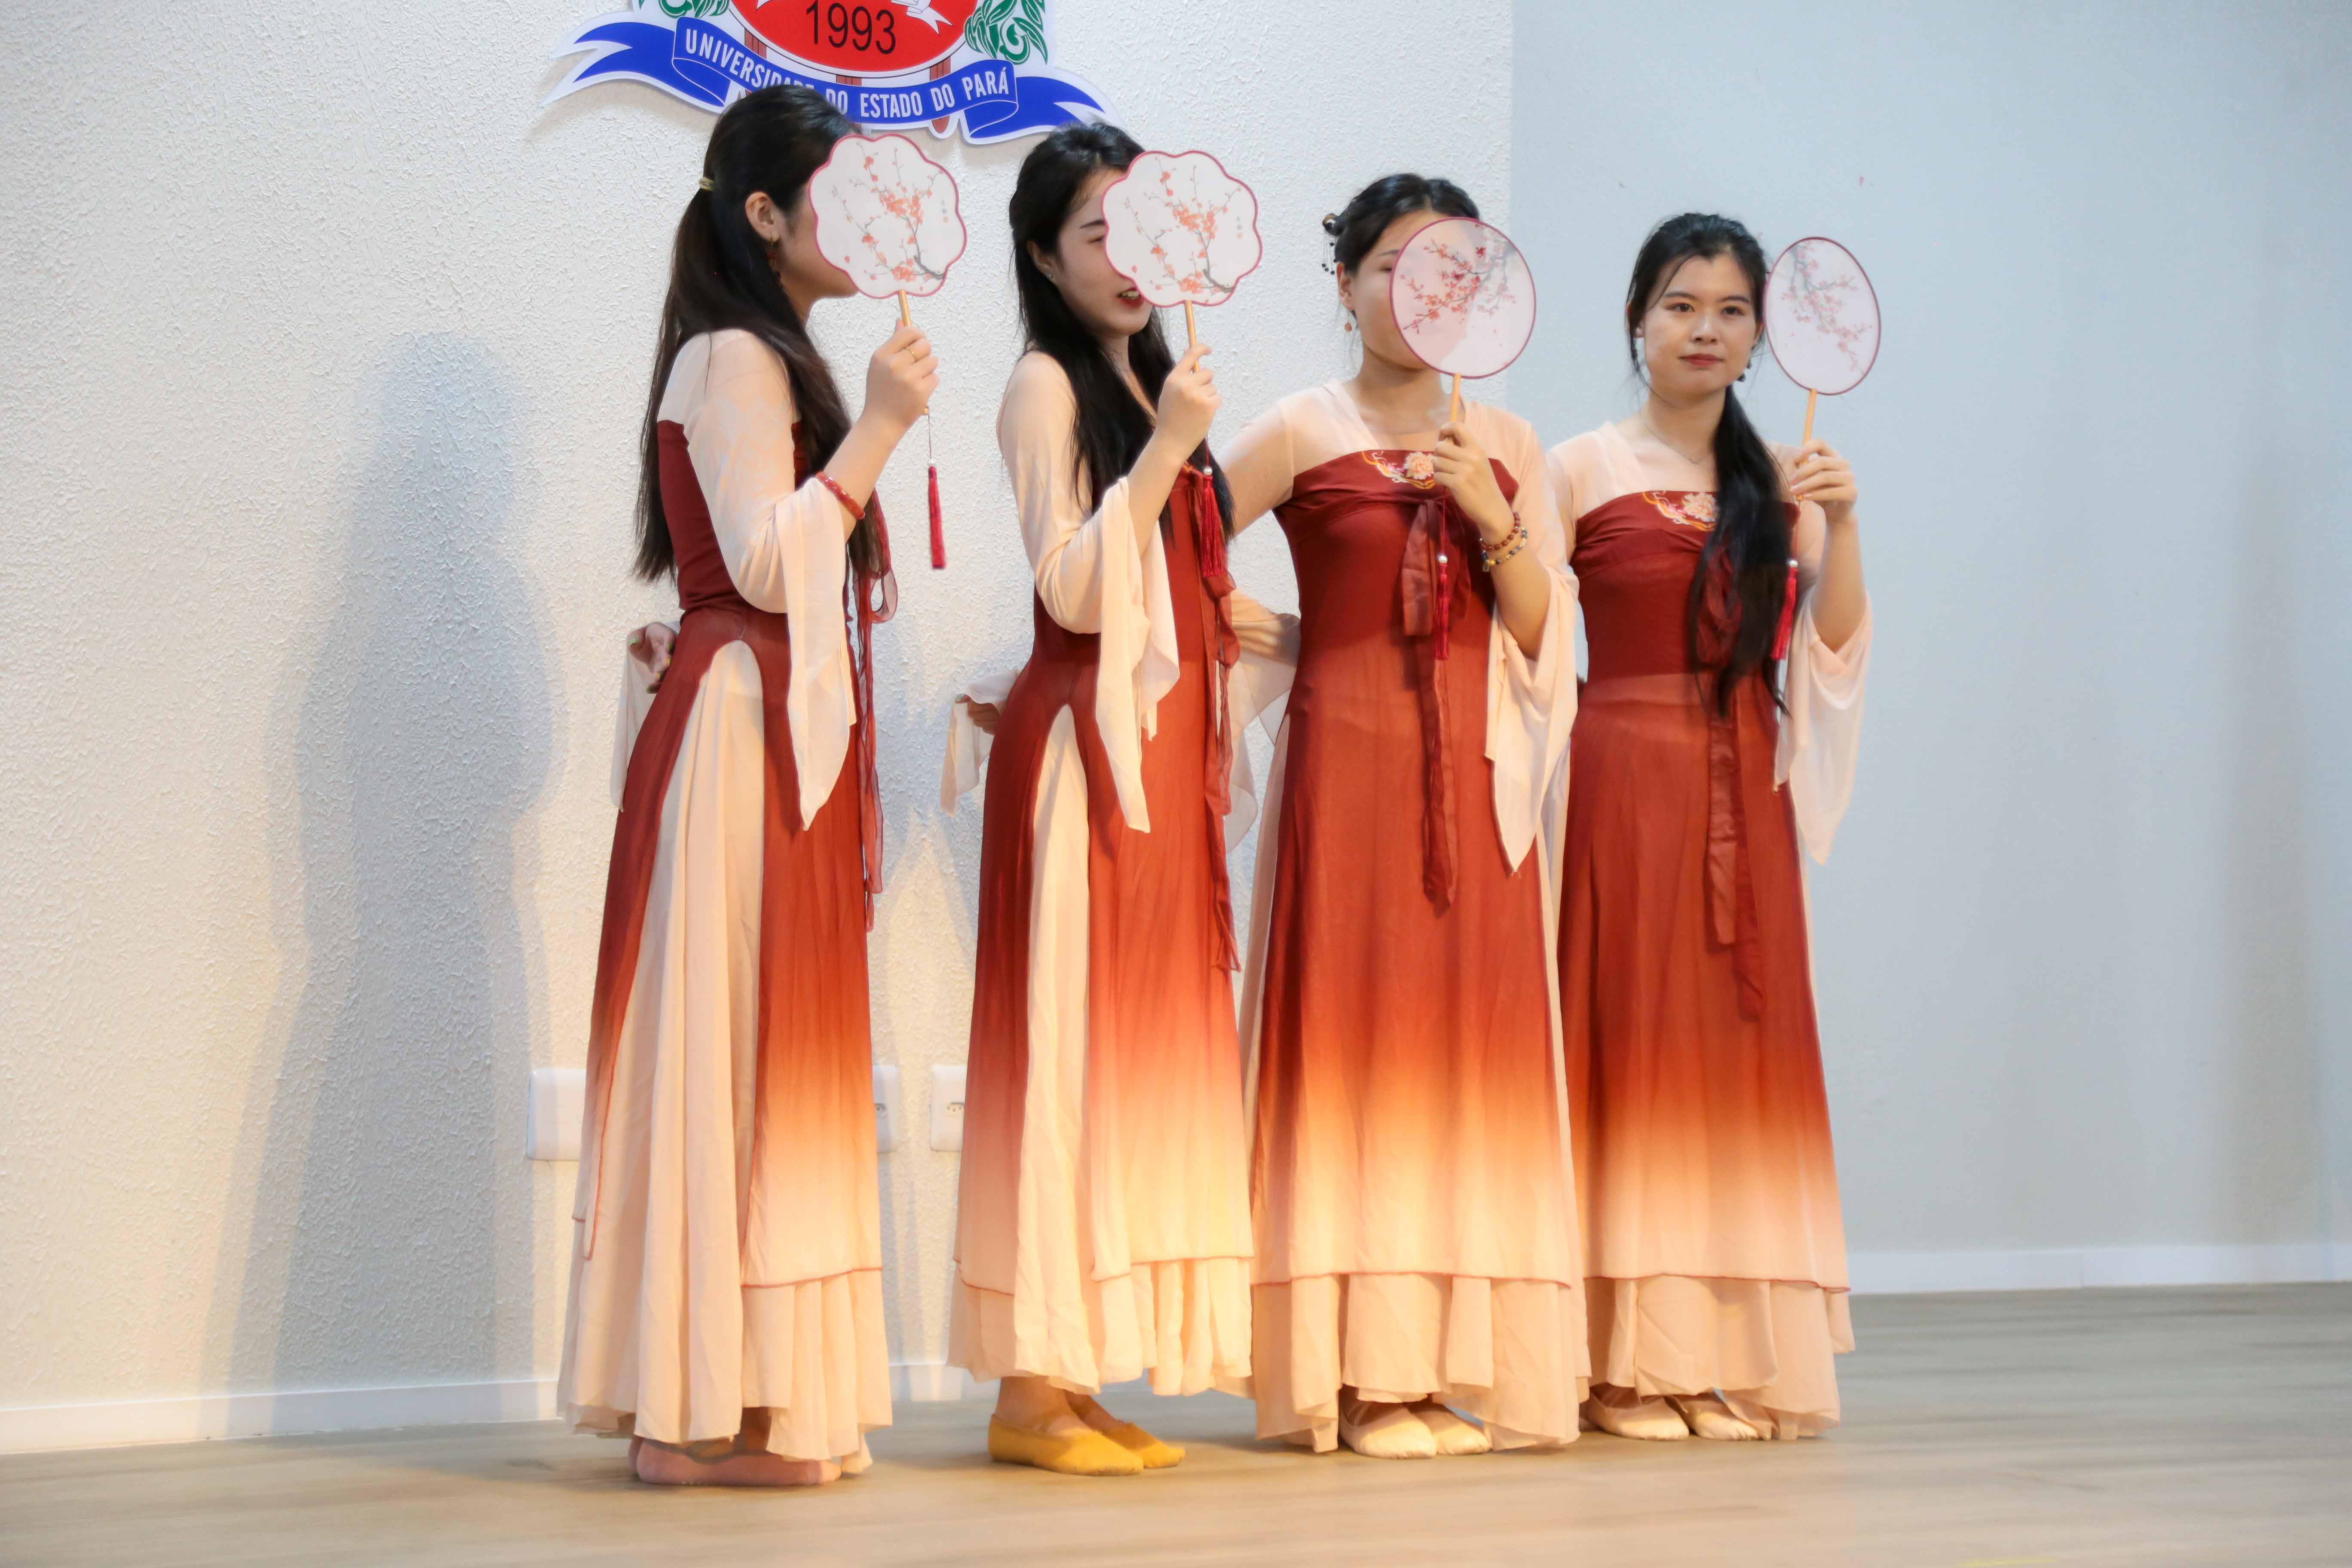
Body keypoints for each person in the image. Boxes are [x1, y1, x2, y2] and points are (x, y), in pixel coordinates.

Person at [557, 84, 939, 1487]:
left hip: (762, 719)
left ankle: (736, 1395)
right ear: (766, 214)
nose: (874, 218)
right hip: (739, 726)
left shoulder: (762, 353)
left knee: (758, 1045)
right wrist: (882, 429)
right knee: (729, 1042)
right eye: (846, 191)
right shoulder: (734, 355)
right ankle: (687, 1416)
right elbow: (774, 565)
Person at [940, 123, 1295, 1477]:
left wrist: (1277, 630)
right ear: (1043, 256)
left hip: (1152, 773)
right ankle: (1028, 1389)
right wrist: (1172, 454)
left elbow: (1178, 599)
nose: (1128, 258)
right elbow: (1076, 590)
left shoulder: (1151, 384)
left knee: (1131, 1061)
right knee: (1066, 1051)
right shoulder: (1044, 386)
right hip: (1082, 768)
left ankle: (1074, 1371)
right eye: (1098, 233)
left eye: (1142, 228)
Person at [1218, 175, 1585, 1458]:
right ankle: (1362, 1374)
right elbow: (1173, 552)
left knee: (1470, 1053)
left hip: (1480, 778)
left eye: (1448, 272)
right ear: (1345, 284)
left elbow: (1542, 631)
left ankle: (1442, 1366)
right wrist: (1286, 636)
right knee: (1357, 1044)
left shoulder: (1513, 442)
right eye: (1391, 266)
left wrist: (1492, 515)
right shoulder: (1298, 427)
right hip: (1351, 772)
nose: (1419, 292)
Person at [1547, 211, 1871, 1441]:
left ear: (1761, 336)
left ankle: (1704, 1357)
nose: (1706, 330)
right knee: (1631, 1045)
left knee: (1732, 1063)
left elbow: (1831, 650)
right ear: (1638, 318)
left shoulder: (1781, 480)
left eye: (1733, 311)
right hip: (1619, 781)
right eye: (1682, 305)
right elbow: (1522, 637)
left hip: (1747, 784)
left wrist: (1844, 522)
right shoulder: (1578, 467)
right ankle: (1617, 1368)